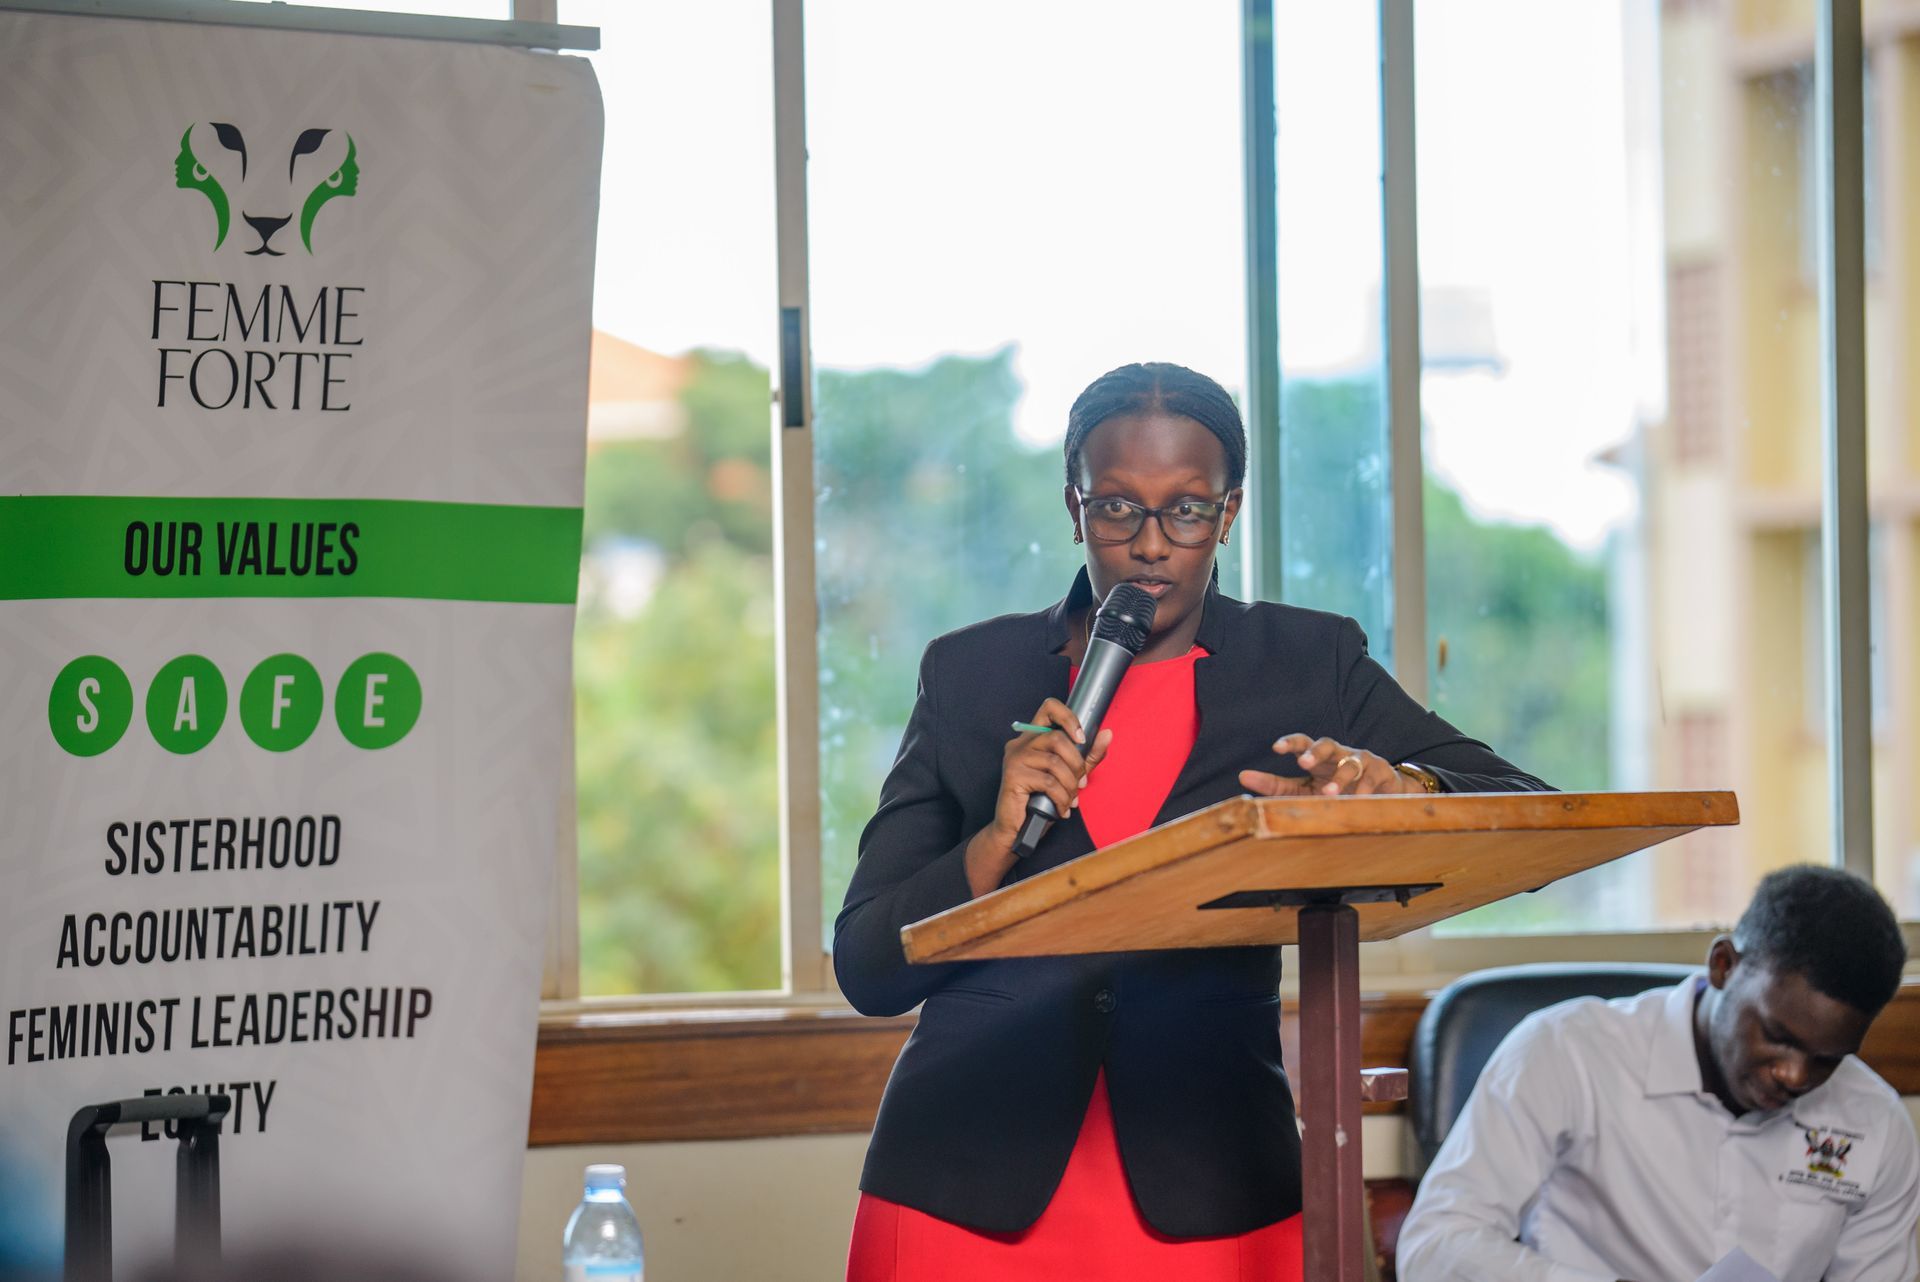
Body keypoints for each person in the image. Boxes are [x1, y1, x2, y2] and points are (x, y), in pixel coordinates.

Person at [834, 361, 1548, 1281]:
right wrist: (992, 842)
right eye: (1116, 508)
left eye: (1187, 510)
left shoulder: (1305, 662)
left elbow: (1522, 800)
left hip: (1215, 1184)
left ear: (1229, 512)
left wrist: (1399, 787)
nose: (1150, 544)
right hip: (963, 1184)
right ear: (1074, 507)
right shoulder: (971, 674)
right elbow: (867, 966)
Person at [1397, 864, 1917, 1282]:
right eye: (1778, 1036)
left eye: (1828, 1058)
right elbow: (1435, 1246)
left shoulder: (1874, 1121)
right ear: (1723, 965)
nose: (1795, 1075)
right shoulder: (1567, 1051)